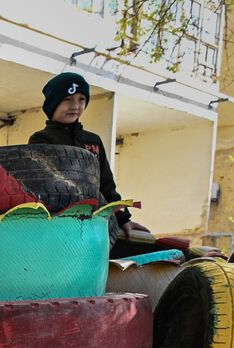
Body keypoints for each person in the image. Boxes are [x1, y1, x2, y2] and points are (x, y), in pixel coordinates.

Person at [29, 72, 151, 247]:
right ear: (53, 103)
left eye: (81, 99)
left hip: (95, 225)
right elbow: (43, 188)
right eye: (68, 99)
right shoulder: (41, 140)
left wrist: (123, 219)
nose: (75, 106)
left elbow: (106, 185)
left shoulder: (93, 141)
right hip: (58, 226)